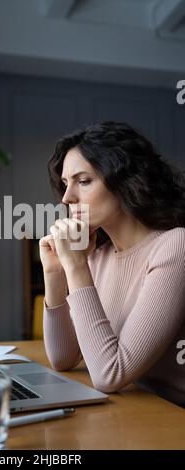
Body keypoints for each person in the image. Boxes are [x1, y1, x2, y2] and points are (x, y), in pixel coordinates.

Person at [39, 121, 185, 407]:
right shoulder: (98, 254)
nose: (68, 198)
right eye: (66, 184)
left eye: (83, 181)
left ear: (126, 180)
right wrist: (55, 271)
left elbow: (110, 374)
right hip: (135, 409)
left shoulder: (175, 246)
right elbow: (63, 358)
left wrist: (77, 267)